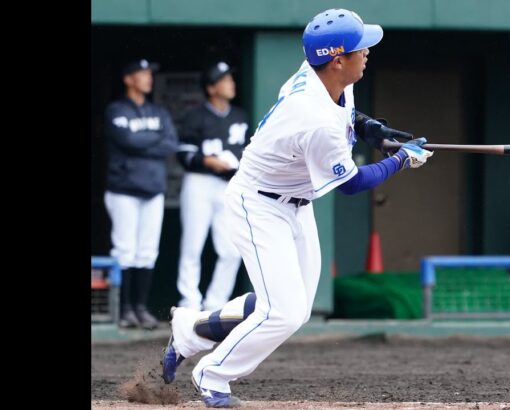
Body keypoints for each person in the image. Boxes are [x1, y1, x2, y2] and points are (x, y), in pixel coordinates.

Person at [161, 9, 432, 407]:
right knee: (283, 313)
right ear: (338, 58)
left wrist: (372, 129)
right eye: (361, 48)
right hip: (258, 204)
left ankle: (191, 331)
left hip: (295, 203)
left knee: (296, 308)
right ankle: (212, 375)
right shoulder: (314, 117)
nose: (368, 52)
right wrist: (399, 161)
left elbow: (347, 114)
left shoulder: (325, 73)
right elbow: (353, 184)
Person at [104, 59, 178, 329]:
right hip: (123, 189)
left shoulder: (158, 111)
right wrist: (153, 139)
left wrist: (144, 143)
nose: (148, 78)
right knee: (125, 249)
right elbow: (126, 141)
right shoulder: (116, 109)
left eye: (149, 73)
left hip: (153, 189)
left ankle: (140, 308)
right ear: (128, 78)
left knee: (147, 251)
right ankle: (124, 310)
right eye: (142, 73)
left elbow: (171, 143)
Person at [176, 62, 249, 312]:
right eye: (224, 80)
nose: (230, 83)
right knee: (192, 245)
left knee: (231, 250)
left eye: (231, 79)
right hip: (199, 182)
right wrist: (207, 160)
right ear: (211, 88)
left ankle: (215, 304)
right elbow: (183, 153)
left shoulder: (240, 115)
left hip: (228, 185)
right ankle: (190, 302)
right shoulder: (196, 116)